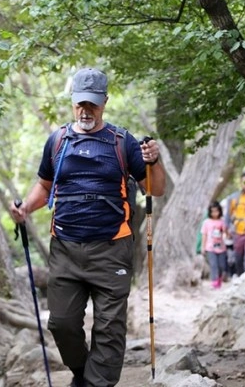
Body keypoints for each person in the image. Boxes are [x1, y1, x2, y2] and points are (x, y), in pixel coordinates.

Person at [10, 68, 166, 387]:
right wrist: (25, 208)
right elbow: (44, 186)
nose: (86, 110)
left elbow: (155, 188)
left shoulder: (122, 143)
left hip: (112, 248)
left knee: (109, 329)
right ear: (72, 103)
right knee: (62, 324)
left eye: (93, 104)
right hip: (65, 249)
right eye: (81, 103)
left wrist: (154, 161)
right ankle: (83, 373)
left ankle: (95, 383)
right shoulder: (57, 142)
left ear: (104, 103)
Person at [200, 201, 228, 289]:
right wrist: (202, 247)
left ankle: (219, 279)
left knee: (221, 265)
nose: (214, 213)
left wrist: (226, 231)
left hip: (221, 247)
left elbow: (226, 233)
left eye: (216, 211)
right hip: (210, 247)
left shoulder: (222, 221)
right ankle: (214, 281)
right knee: (213, 265)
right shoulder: (206, 222)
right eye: (212, 211)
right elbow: (204, 235)